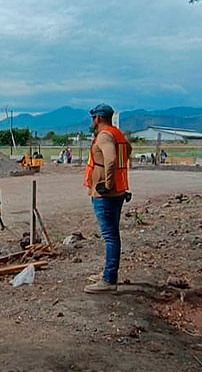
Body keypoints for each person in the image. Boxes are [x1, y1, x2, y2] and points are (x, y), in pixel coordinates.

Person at [83, 103, 131, 294]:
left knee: (110, 237)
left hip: (107, 194)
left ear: (98, 118)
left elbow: (111, 159)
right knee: (112, 235)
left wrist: (107, 184)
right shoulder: (117, 134)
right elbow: (127, 150)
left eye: (93, 118)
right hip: (119, 191)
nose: (93, 121)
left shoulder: (104, 136)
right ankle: (109, 274)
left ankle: (109, 280)